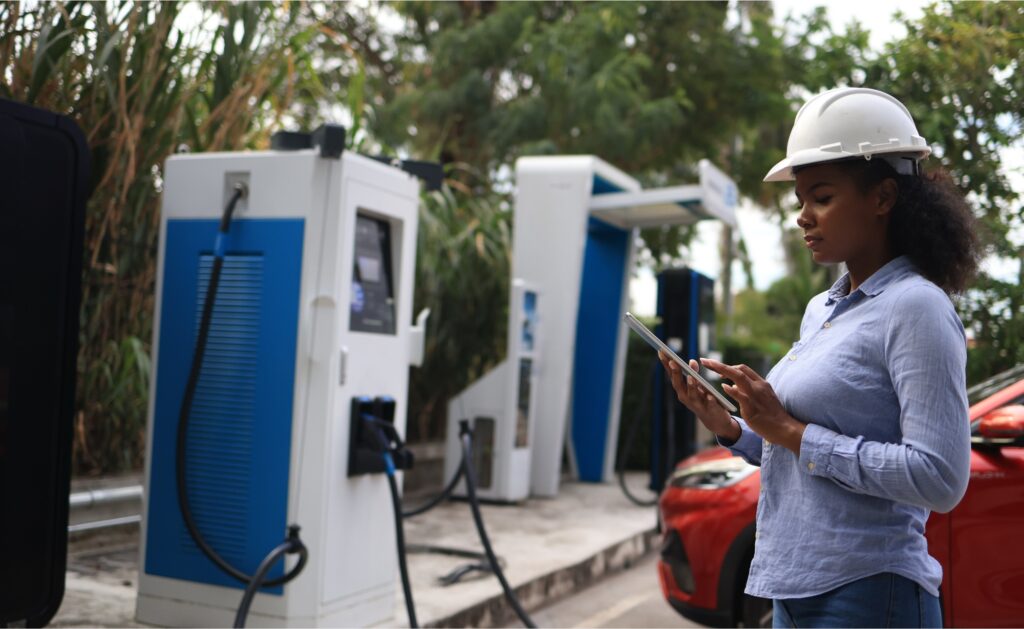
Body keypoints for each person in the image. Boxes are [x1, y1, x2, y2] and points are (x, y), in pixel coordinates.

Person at [659, 87, 978, 628]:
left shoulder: (917, 307)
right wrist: (734, 427)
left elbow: (939, 479)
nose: (804, 216)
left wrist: (790, 431)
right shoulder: (823, 309)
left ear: (882, 198)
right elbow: (795, 450)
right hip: (794, 589)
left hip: (872, 593)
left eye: (822, 197)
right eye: (800, 200)